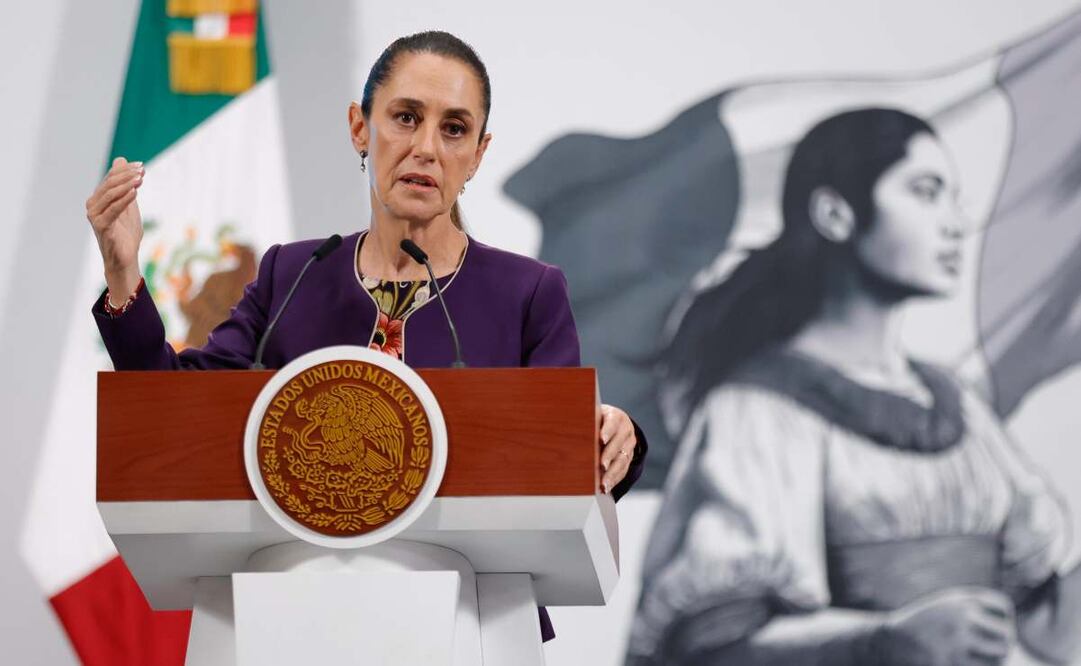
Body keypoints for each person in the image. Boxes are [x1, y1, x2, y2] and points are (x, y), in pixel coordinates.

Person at [84, 30, 647, 642]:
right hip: (290, 621)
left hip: (468, 627)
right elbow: (173, 413)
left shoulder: (527, 292)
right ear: (360, 127)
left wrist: (614, 437)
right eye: (406, 117)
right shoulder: (292, 275)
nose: (426, 148)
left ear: (479, 154)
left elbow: (560, 461)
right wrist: (123, 273)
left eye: (454, 129)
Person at [625, 108, 1081, 665]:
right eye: (926, 192)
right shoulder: (757, 410)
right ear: (835, 214)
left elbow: (1048, 626)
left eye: (953, 197)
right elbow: (712, 646)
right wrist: (884, 639)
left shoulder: (958, 406)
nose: (956, 223)